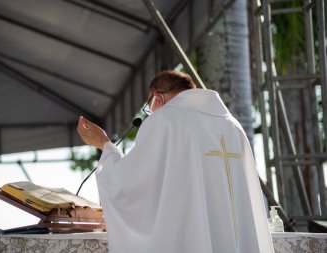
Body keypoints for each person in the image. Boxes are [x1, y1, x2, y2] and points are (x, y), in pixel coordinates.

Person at [77, 70, 274, 253]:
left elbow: (131, 183)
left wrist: (104, 144)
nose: (150, 113)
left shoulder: (165, 120)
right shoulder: (233, 126)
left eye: (149, 108)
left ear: (157, 97)